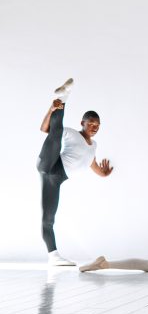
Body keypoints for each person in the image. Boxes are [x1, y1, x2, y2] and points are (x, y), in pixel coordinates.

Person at [37, 79, 113, 266]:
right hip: (50, 164)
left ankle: (53, 256)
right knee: (56, 133)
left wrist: (103, 173)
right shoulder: (72, 133)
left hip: (56, 179)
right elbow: (44, 129)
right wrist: (51, 110)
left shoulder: (93, 146)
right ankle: (62, 98)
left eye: (97, 125)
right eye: (91, 124)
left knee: (48, 219)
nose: (94, 128)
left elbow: (91, 164)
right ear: (83, 123)